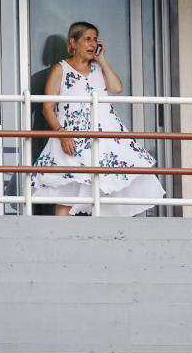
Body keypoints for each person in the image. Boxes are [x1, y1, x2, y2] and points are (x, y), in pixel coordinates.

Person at [33, 21, 164, 216]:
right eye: (87, 39)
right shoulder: (60, 70)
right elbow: (47, 109)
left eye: (95, 39)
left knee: (111, 191)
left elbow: (116, 88)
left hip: (105, 140)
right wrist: (62, 134)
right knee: (66, 195)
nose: (92, 43)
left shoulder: (98, 68)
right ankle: (59, 242)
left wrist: (102, 60)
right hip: (72, 141)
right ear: (73, 42)